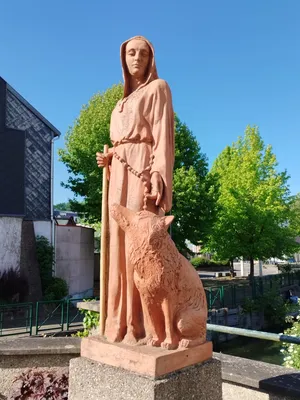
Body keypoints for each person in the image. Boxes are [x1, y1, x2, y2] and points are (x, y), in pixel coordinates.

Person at [96, 35, 175, 344]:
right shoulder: (121, 101)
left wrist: (158, 174)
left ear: (150, 58)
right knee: (116, 242)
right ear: (123, 59)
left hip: (142, 169)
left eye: (143, 53)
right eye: (131, 52)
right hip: (119, 173)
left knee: (138, 243)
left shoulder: (158, 88)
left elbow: (161, 137)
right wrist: (111, 158)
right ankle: (116, 322)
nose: (136, 58)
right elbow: (121, 142)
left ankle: (141, 326)